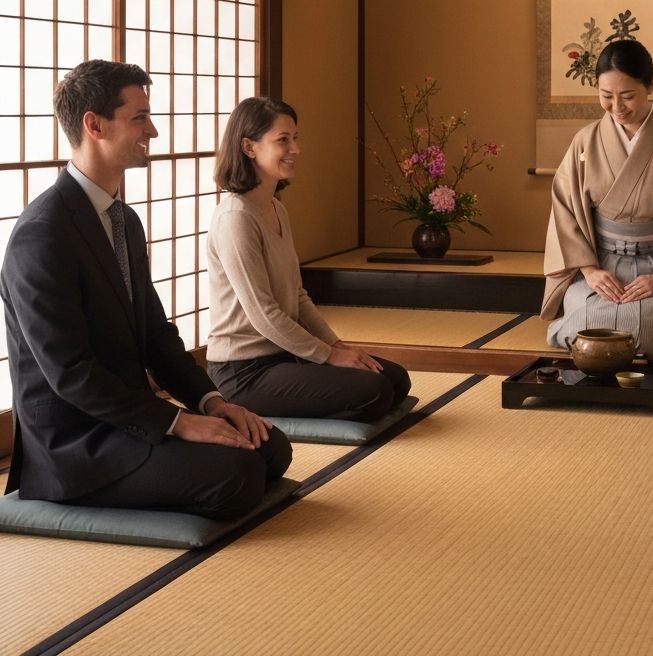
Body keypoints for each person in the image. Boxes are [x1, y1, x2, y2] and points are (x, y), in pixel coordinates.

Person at [1, 61, 291, 520]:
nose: (152, 131)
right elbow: (71, 373)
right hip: (77, 442)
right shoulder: (43, 233)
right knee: (237, 473)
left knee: (270, 447)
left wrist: (212, 403)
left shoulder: (123, 221)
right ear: (93, 124)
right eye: (139, 117)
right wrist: (177, 423)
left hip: (129, 420)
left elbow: (156, 334)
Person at [205, 97, 411, 421]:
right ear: (249, 147)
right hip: (243, 371)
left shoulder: (276, 208)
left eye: (295, 138)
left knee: (395, 378)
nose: (295, 149)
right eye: (282, 140)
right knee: (376, 392)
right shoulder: (236, 218)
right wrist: (327, 356)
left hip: (284, 356)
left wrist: (338, 346)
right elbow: (263, 314)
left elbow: (298, 296)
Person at [541, 40, 653, 359]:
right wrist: (590, 271)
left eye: (627, 96)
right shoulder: (585, 141)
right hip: (601, 266)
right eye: (606, 96)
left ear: (651, 83)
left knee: (648, 332)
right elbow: (565, 211)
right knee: (582, 323)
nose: (617, 107)